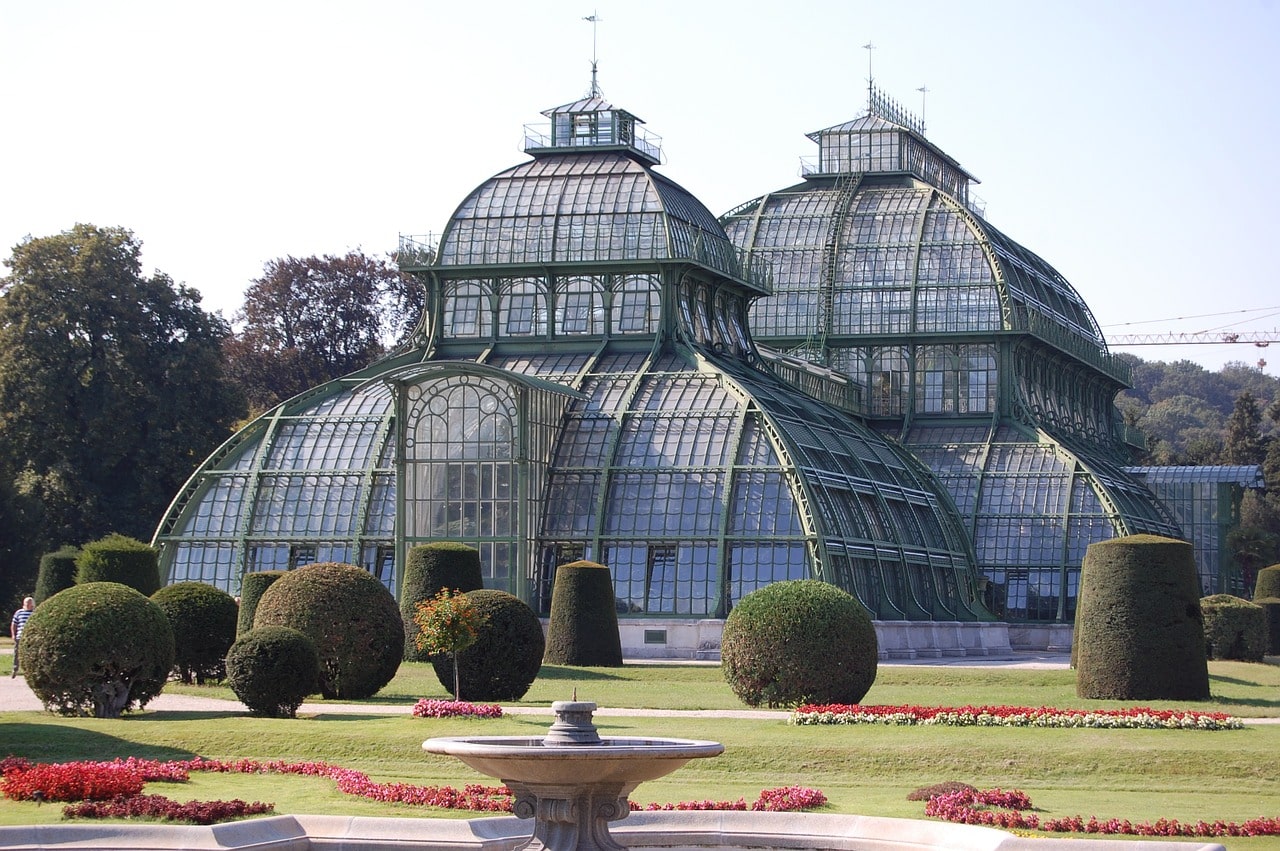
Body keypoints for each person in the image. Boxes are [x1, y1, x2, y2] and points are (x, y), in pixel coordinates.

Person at [10, 597, 34, 678]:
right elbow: (14, 624)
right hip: (20, 636)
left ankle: (29, 670)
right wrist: (13, 634)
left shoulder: (34, 612)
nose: (28, 604)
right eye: (27, 603)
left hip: (31, 637)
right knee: (17, 653)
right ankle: (15, 669)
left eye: (30, 603)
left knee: (30, 653)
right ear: (24, 604)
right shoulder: (19, 612)